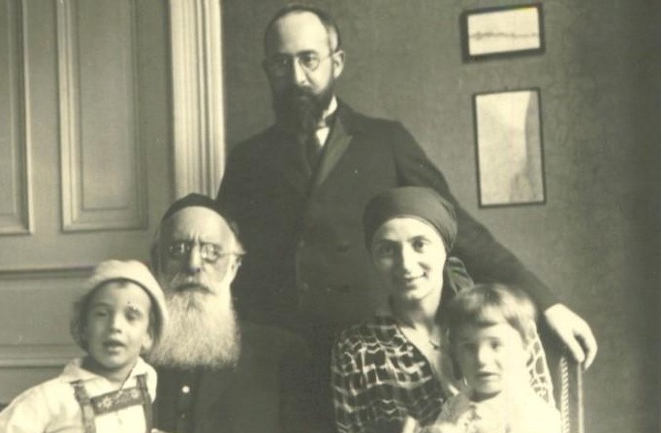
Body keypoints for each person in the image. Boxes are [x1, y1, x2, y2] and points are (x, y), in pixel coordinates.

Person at [216, 3, 596, 371]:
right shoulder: (247, 159)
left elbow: (461, 232)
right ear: (268, 70)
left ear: (337, 62)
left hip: (372, 356)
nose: (297, 77)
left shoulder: (386, 141)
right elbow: (220, 259)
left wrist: (547, 303)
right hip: (280, 362)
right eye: (282, 63)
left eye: (308, 59)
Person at [17, 195, 340, 433]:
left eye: (211, 252)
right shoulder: (119, 354)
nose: (193, 265)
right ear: (158, 263)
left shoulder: (279, 351)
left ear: (234, 267)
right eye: (178, 249)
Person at [331, 187, 555, 433]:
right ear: (372, 258)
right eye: (387, 249)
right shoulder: (356, 349)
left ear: (444, 249)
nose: (406, 264)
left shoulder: (501, 322)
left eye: (420, 244)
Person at [0, 260, 194, 433]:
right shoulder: (54, 396)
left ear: (148, 336)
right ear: (83, 327)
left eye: (131, 316)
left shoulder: (146, 379)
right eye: (102, 314)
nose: (115, 326)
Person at [412, 284, 569, 433]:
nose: (482, 359)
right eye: (468, 347)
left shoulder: (532, 409)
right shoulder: (456, 406)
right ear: (454, 352)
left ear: (525, 348)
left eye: (496, 345)